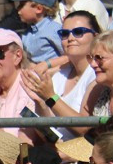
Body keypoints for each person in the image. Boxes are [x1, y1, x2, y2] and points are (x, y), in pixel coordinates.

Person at [21, 10, 100, 140]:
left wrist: (50, 97)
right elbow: (52, 125)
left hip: (82, 156)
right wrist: (40, 102)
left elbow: (85, 128)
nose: (70, 38)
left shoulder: (97, 74)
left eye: (78, 32)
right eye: (64, 34)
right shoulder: (60, 75)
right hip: (59, 152)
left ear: (95, 37)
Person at [9, 0, 63, 65]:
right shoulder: (27, 32)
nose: (18, 9)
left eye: (22, 5)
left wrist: (48, 65)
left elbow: (69, 57)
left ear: (38, 9)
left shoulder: (54, 30)